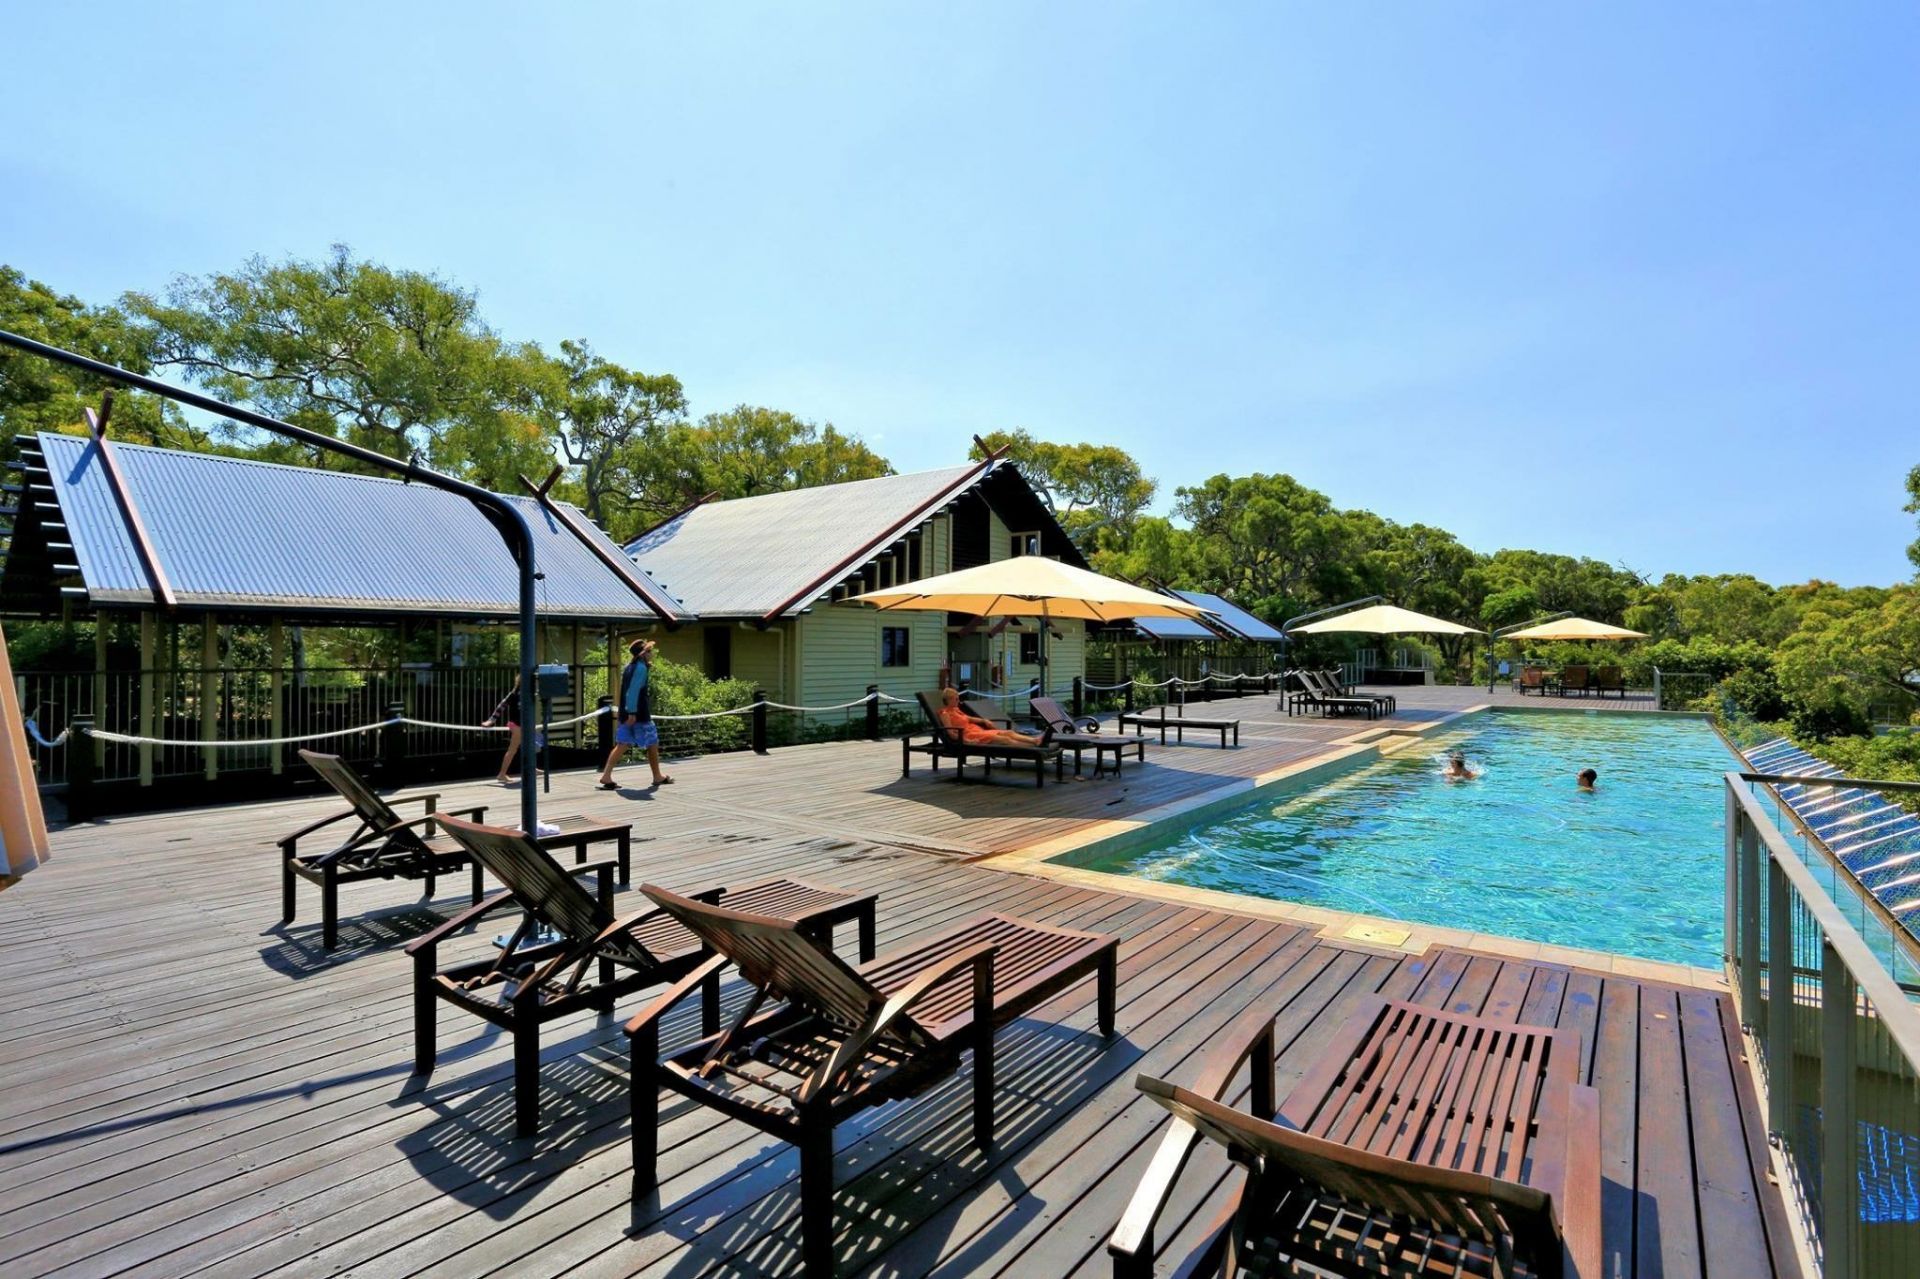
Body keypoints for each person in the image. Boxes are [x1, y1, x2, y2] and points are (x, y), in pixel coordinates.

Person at [599, 638, 673, 790]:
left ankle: (606, 775)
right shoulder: (640, 668)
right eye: (649, 651)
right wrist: (632, 713)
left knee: (622, 744)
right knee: (652, 742)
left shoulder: (629, 667)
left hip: (625, 712)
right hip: (638, 713)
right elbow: (633, 692)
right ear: (642, 654)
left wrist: (628, 712)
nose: (651, 654)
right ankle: (657, 776)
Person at [936, 688, 1049, 747]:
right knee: (1005, 739)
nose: (958, 700)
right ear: (948, 700)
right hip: (968, 735)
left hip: (976, 730)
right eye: (956, 699)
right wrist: (967, 741)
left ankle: (1035, 740)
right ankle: (1031, 747)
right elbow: (951, 733)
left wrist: (984, 720)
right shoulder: (945, 713)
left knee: (1009, 732)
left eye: (958, 698)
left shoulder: (956, 710)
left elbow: (969, 718)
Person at [482, 676, 523, 786]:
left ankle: (532, 768)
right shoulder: (514, 694)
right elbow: (501, 706)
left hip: (526, 725)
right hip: (517, 725)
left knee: (529, 747)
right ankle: (502, 774)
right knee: (512, 750)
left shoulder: (530, 693)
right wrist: (491, 720)